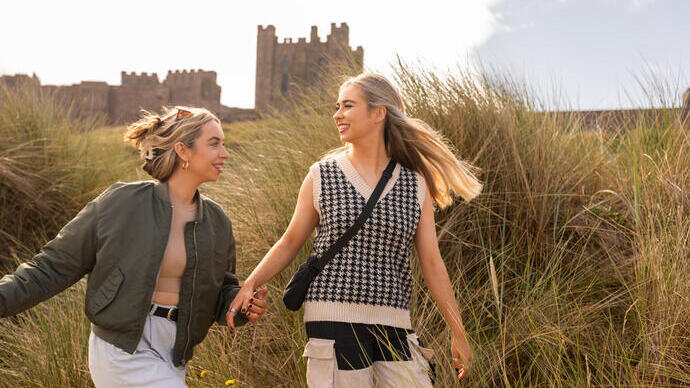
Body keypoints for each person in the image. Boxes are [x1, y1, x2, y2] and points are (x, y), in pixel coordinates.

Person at [228, 73, 482, 387]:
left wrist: (458, 331)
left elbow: (432, 262)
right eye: (337, 107)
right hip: (332, 317)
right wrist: (250, 283)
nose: (337, 115)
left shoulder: (414, 183)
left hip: (395, 322)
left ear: (379, 113)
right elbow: (291, 240)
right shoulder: (321, 175)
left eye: (348, 106)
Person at [0, 106, 268, 388]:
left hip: (175, 354)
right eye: (214, 144)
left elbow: (223, 291)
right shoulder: (121, 203)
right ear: (183, 151)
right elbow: (51, 267)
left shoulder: (217, 221)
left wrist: (243, 306)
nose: (224, 153)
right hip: (121, 349)